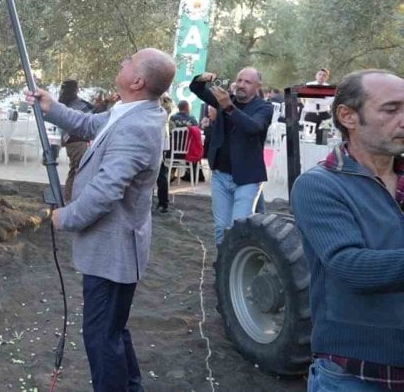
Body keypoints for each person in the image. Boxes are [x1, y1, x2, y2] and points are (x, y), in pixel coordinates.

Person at [29, 48, 176, 392]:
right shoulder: (130, 112)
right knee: (112, 330)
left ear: (138, 81)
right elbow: (90, 124)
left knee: (101, 336)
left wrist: (65, 217)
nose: (122, 62)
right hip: (114, 249)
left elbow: (106, 191)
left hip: (113, 253)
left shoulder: (138, 127)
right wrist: (52, 108)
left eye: (129, 61)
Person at [291, 70, 404, 390]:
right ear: (348, 116)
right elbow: (351, 266)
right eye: (391, 109)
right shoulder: (318, 186)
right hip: (357, 373)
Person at [191, 69, 273, 245]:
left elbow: (253, 127)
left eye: (247, 82)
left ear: (258, 87)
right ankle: (223, 269)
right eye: (240, 80)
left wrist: (229, 107)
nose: (242, 85)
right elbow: (196, 88)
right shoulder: (225, 100)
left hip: (247, 178)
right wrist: (201, 78)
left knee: (239, 228)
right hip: (220, 175)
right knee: (221, 228)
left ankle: (238, 268)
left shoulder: (264, 108)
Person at [56, 79, 93, 200]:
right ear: (75, 89)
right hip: (77, 141)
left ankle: (69, 197)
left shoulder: (63, 102)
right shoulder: (75, 104)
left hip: (71, 141)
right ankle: (70, 198)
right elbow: (88, 116)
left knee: (75, 170)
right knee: (77, 170)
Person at [302, 67, 334, 144]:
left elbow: (329, 101)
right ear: (316, 75)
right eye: (320, 74)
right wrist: (322, 99)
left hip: (324, 115)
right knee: (308, 138)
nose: (321, 76)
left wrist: (315, 98)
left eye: (324, 75)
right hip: (311, 114)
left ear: (327, 77)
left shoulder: (329, 88)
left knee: (323, 139)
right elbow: (308, 98)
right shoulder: (309, 85)